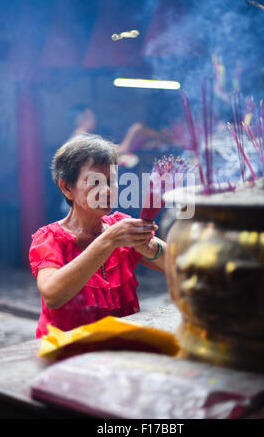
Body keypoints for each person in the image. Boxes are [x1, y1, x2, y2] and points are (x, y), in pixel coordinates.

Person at [29, 134, 166, 338]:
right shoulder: (50, 238)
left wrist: (152, 249)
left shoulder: (119, 226)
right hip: (67, 353)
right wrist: (108, 241)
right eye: (96, 182)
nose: (108, 190)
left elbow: (178, 265)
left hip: (118, 348)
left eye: (111, 181)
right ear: (67, 188)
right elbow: (52, 295)